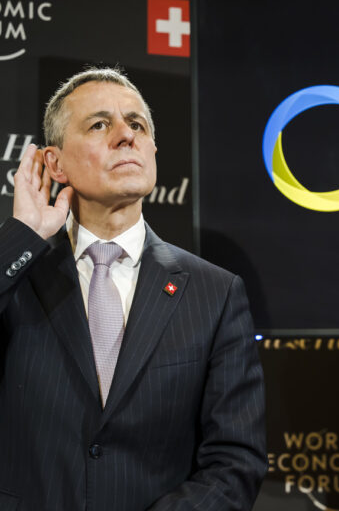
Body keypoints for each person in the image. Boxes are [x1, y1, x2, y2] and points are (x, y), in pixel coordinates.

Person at [0, 68, 266, 510]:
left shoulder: (215, 294)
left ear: (153, 150)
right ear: (55, 163)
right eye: (100, 124)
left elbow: (235, 461)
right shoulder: (18, 270)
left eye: (137, 124)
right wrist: (22, 235)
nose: (126, 136)